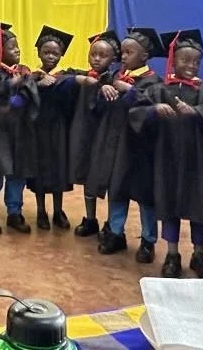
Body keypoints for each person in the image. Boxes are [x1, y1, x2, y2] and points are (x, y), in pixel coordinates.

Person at [131, 29, 203, 278]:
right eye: (185, 60)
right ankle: (172, 255)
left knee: (199, 210)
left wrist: (197, 113)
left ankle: (199, 255)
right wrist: (155, 109)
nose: (191, 65)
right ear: (173, 59)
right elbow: (137, 114)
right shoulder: (160, 90)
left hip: (198, 162)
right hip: (168, 160)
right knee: (170, 207)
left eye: (196, 61)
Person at [87, 27, 163, 261]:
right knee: (117, 188)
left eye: (130, 52)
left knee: (143, 194)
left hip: (141, 147)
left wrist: (131, 91)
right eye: (123, 51)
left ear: (144, 56)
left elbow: (153, 111)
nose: (123, 56)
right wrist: (104, 89)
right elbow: (98, 108)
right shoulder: (113, 77)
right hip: (117, 145)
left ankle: (148, 241)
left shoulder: (153, 81)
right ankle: (115, 233)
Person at [0, 22, 39, 234]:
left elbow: (32, 94)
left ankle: (15, 213)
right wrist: (10, 87)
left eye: (18, 46)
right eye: (12, 48)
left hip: (20, 132)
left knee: (17, 175)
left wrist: (21, 98)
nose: (18, 51)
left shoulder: (23, 72)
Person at [70, 30, 123, 241]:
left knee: (107, 179)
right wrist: (79, 78)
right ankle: (90, 218)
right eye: (93, 54)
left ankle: (111, 224)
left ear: (113, 59)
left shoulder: (114, 79)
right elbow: (62, 77)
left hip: (105, 137)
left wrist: (106, 87)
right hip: (85, 134)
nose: (97, 59)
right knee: (86, 177)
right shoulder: (82, 75)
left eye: (103, 56)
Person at [27, 25, 76, 230]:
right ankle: (40, 211)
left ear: (62, 54)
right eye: (46, 52)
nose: (50, 56)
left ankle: (58, 211)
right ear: (38, 52)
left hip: (59, 130)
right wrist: (37, 83)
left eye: (55, 53)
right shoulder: (31, 76)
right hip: (37, 130)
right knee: (39, 171)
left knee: (58, 171)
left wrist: (57, 83)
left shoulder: (67, 76)